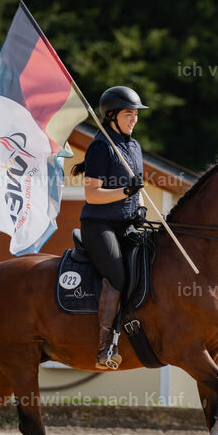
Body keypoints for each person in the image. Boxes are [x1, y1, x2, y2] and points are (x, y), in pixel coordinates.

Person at [72, 86, 148, 369]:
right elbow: (92, 194)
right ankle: (105, 348)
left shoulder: (134, 146)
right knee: (117, 275)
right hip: (99, 225)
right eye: (129, 114)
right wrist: (126, 193)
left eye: (136, 114)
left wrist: (139, 207)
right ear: (112, 116)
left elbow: (136, 188)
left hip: (126, 224)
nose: (134, 119)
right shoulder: (101, 147)